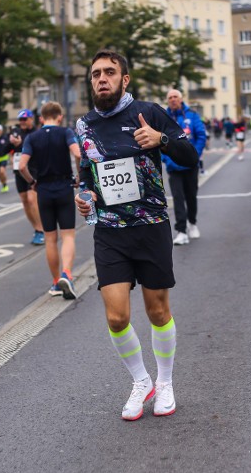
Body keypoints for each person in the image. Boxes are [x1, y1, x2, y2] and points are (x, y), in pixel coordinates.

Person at [74, 49, 198, 421]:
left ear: (124, 79)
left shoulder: (150, 113)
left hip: (150, 226)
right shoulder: (84, 126)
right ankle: (141, 381)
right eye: (96, 74)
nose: (101, 79)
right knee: (116, 317)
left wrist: (160, 139)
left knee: (158, 311)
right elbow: (86, 174)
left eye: (109, 72)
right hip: (110, 231)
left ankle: (165, 382)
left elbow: (189, 156)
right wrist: (86, 196)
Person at [18, 102, 82, 298]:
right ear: (60, 117)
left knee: (50, 238)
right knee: (68, 235)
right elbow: (78, 153)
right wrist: (79, 176)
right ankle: (67, 274)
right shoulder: (65, 133)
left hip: (43, 190)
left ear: (41, 118)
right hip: (63, 187)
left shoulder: (32, 137)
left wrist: (32, 182)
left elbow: (21, 166)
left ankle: (55, 283)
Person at [163, 89, 206, 246]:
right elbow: (158, 141)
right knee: (178, 198)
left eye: (176, 97)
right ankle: (181, 231)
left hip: (190, 165)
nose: (173, 99)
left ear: (181, 99)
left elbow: (201, 136)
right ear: (167, 101)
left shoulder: (192, 115)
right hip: (174, 167)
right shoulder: (164, 118)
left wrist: (195, 154)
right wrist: (166, 159)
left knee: (191, 196)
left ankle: (192, 223)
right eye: (170, 98)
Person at [8, 109, 45, 245]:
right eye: (20, 120)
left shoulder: (37, 132)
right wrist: (11, 143)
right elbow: (3, 149)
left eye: (25, 119)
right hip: (19, 171)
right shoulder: (15, 132)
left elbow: (38, 147)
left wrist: (20, 143)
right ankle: (36, 228)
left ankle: (41, 230)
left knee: (31, 200)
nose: (22, 122)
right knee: (25, 201)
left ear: (31, 119)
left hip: (33, 170)